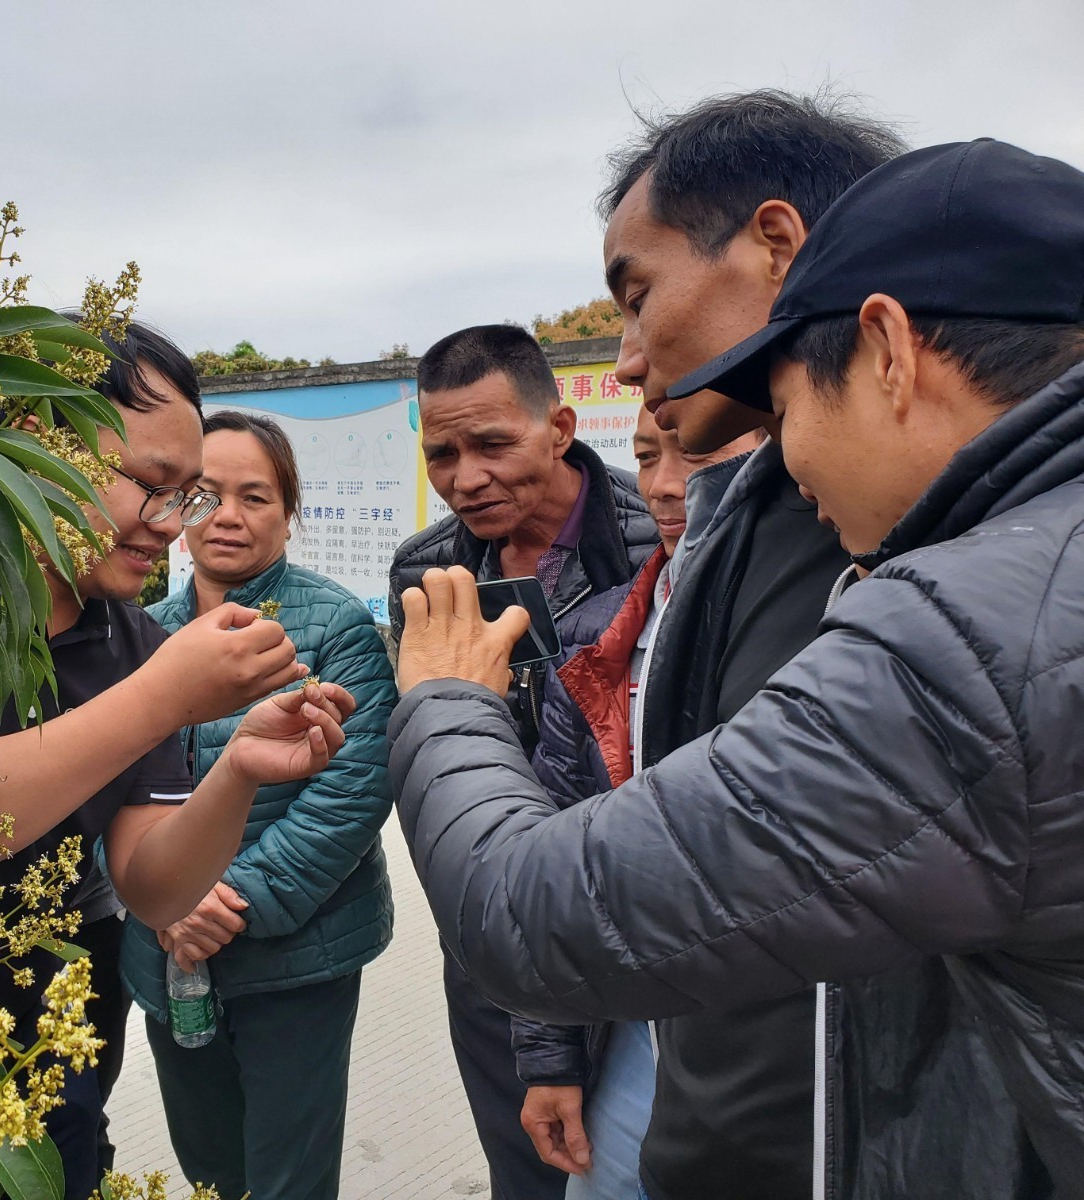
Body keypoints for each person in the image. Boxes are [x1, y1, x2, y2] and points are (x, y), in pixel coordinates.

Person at [391, 137, 1084, 1198]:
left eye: (792, 407)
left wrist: (444, 696)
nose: (789, 463)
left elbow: (532, 911)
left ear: (887, 349)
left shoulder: (962, 634)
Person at [0, 324, 357, 1200]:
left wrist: (238, 769)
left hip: (51, 1049)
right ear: (31, 449)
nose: (173, 527)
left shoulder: (135, 640)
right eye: (153, 487)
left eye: (186, 497)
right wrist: (164, 698)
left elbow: (150, 886)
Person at [540, 90, 905, 1200]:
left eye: (639, 297)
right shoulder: (758, 507)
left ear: (777, 246)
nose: (631, 358)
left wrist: (445, 702)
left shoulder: (870, 530)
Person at [387, 323, 657, 1198]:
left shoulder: (654, 546)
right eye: (442, 454)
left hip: (625, 930)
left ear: (562, 427)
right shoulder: (425, 571)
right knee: (522, 1167)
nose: (466, 478)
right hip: (488, 936)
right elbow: (429, 748)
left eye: (493, 444)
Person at [122, 410, 397, 1200]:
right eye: (204, 497)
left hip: (294, 955)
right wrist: (169, 906)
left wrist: (223, 901)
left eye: (256, 497)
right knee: (209, 1165)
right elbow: (110, 791)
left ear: (288, 512)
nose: (229, 517)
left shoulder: (335, 625)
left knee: (289, 1176)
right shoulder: (139, 633)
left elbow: (351, 793)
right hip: (169, 953)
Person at [518, 405, 764, 1199]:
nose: (663, 488)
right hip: (630, 1031)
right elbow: (552, 853)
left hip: (766, 1042)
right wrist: (552, 1055)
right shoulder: (597, 639)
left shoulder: (824, 618)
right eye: (647, 455)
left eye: (697, 456)